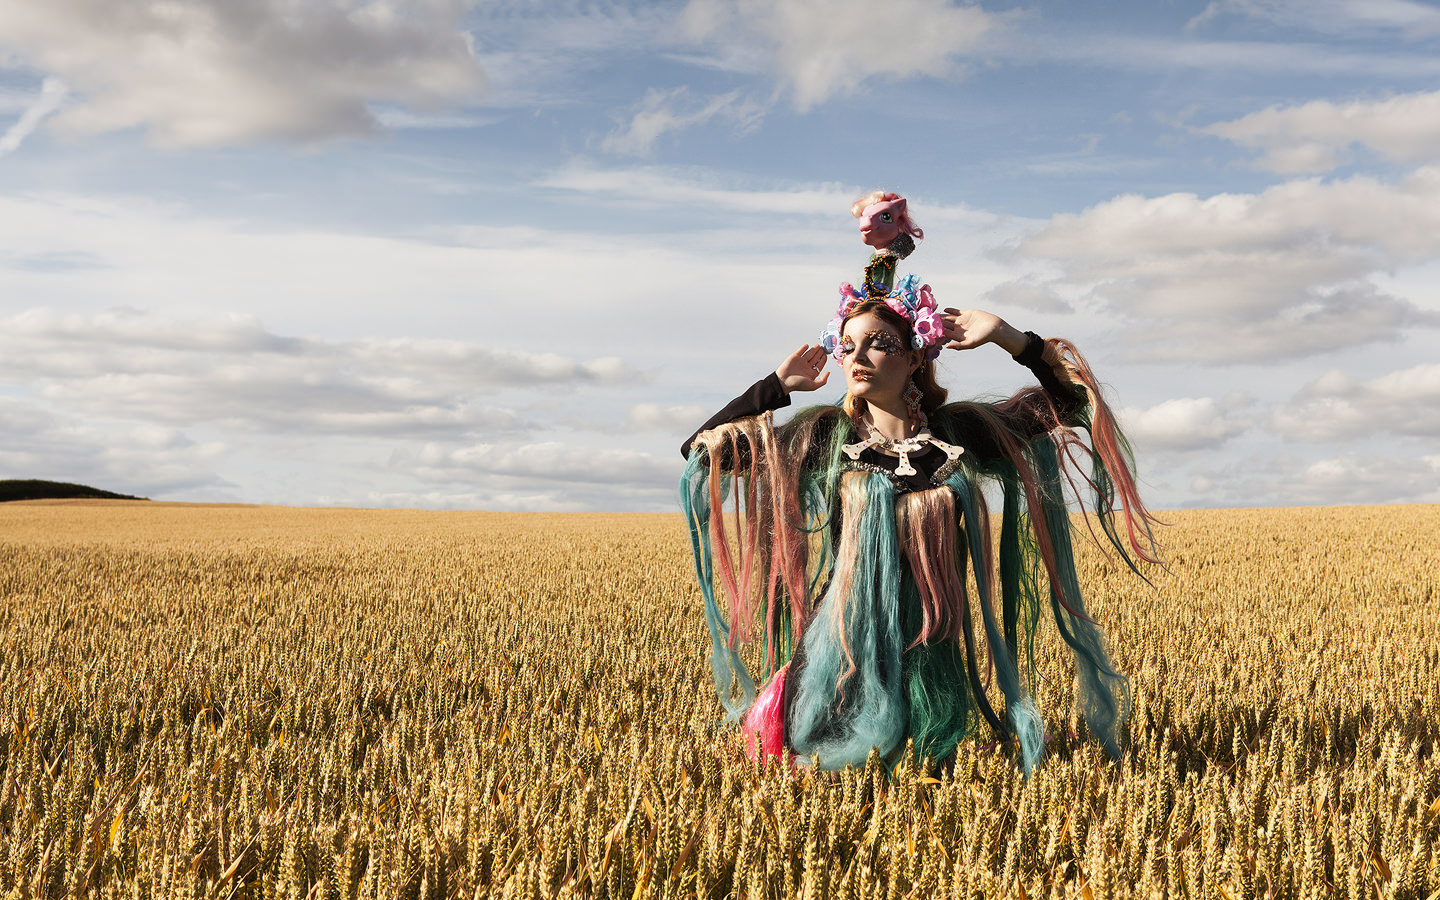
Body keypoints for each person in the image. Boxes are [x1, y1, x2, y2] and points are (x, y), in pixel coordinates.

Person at [679, 193, 1159, 774]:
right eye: (848, 344)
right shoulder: (823, 437)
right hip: (841, 654)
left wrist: (1009, 337)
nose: (857, 356)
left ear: (914, 359)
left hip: (932, 649)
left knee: (928, 777)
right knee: (826, 774)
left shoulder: (961, 434)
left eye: (879, 343)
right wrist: (775, 388)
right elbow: (703, 454)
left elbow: (1074, 401)